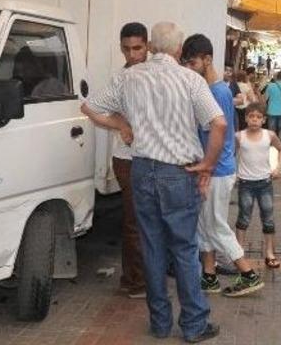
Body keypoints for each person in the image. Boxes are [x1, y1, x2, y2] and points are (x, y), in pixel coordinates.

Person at [81, 22, 224, 343]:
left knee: (152, 246)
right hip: (179, 172)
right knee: (185, 249)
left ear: (152, 47)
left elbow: (89, 107)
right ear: (178, 48)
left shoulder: (128, 78)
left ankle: (160, 324)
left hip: (142, 169)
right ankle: (193, 325)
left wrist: (121, 123)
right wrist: (207, 165)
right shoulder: (190, 80)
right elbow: (219, 123)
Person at [181, 34, 264, 298]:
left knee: (215, 225)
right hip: (217, 168)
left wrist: (206, 168)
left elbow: (218, 132)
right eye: (186, 64)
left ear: (207, 60)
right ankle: (209, 276)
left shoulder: (215, 91)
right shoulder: (219, 89)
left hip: (216, 170)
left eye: (192, 64)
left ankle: (248, 273)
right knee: (205, 225)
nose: (189, 70)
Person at [112, 22, 148, 299]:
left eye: (137, 48)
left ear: (147, 46)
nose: (132, 54)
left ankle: (137, 277)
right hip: (127, 159)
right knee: (135, 221)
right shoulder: (120, 78)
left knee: (144, 220)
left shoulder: (153, 75)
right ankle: (136, 282)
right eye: (126, 49)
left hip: (148, 158)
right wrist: (122, 123)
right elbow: (94, 108)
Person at [235, 102, 281, 269]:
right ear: (246, 118)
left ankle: (270, 253)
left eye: (258, 117)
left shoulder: (269, 135)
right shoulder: (239, 136)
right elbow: (229, 153)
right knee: (243, 218)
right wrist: (232, 172)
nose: (254, 120)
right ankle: (239, 252)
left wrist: (278, 168)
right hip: (245, 183)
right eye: (251, 116)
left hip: (265, 183)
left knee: (268, 219)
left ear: (264, 119)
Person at [262, 69, 281, 144]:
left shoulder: (270, 86)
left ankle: (272, 143)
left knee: (272, 129)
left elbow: (265, 98)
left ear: (276, 77)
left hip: (272, 110)